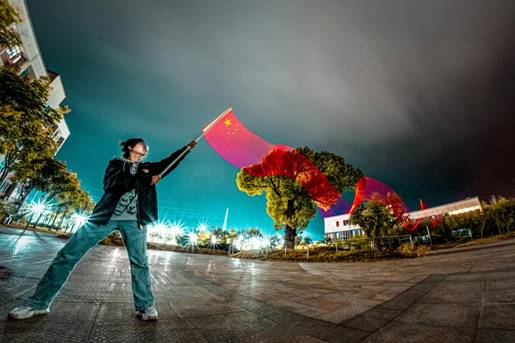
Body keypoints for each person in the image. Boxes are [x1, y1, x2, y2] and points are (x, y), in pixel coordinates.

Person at [8, 138, 196, 321]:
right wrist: (145, 180)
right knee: (67, 255)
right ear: (131, 147)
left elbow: (169, 162)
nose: (145, 147)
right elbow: (113, 185)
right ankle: (38, 303)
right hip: (104, 218)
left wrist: (186, 148)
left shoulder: (148, 168)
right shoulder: (115, 164)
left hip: (135, 222)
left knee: (140, 263)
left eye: (146, 145)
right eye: (141, 144)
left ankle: (145, 306)